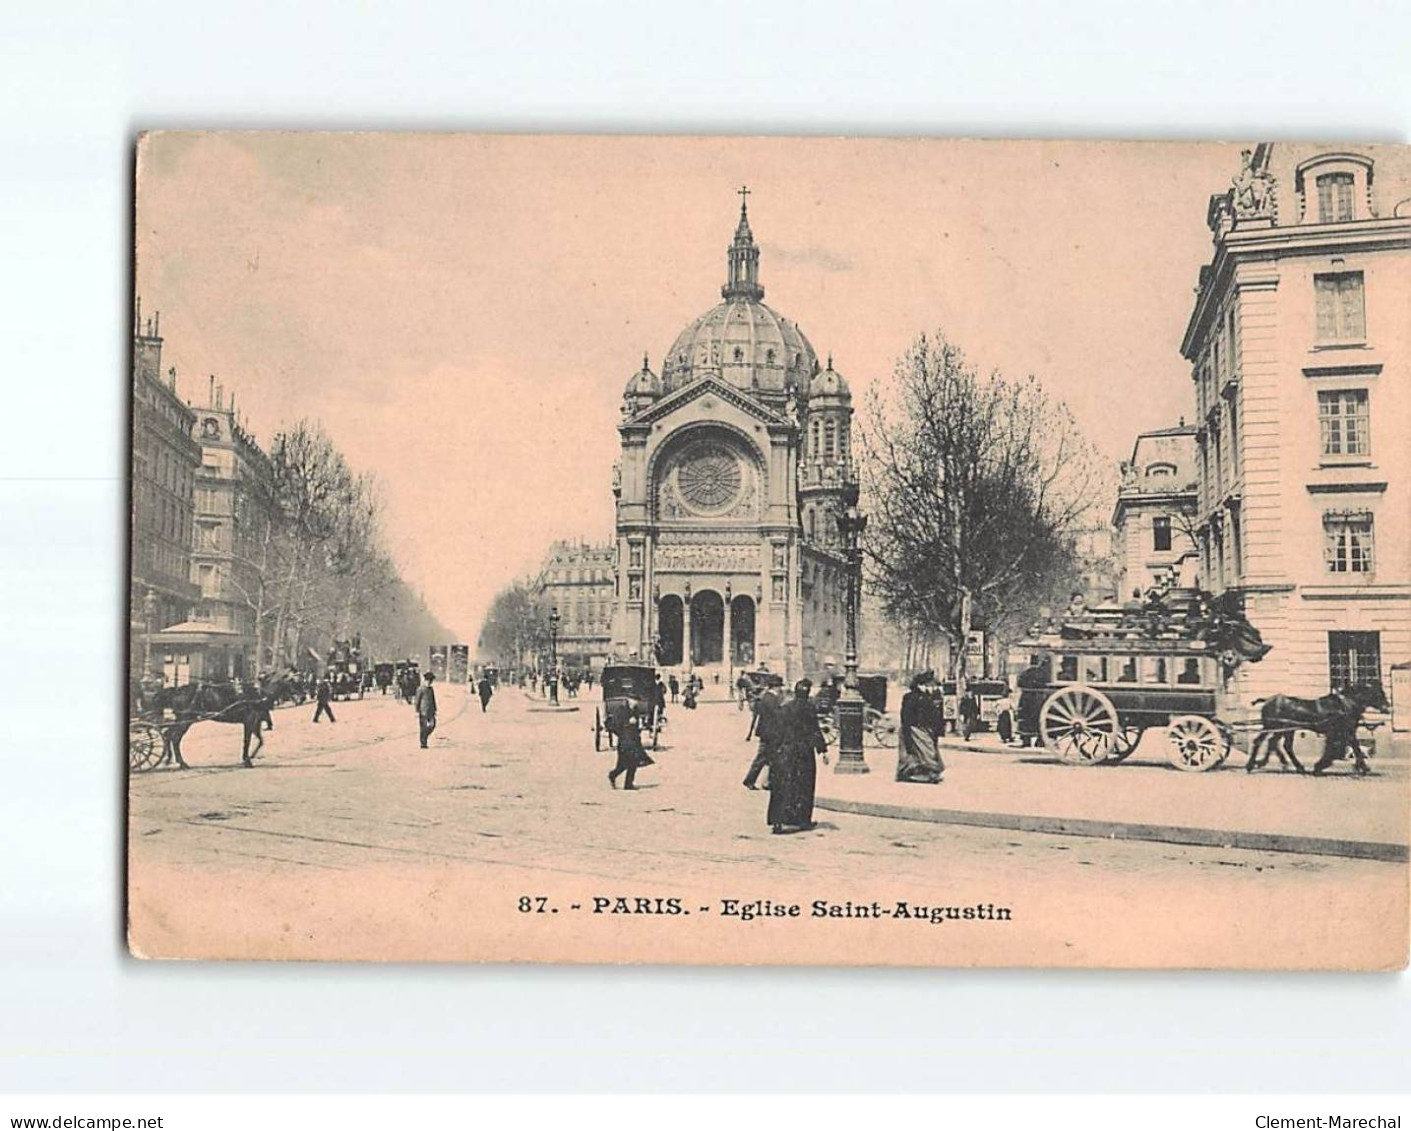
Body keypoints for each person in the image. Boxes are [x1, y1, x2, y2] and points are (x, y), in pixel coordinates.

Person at [767, 680, 829, 833]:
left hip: (786, 752)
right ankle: (803, 820)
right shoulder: (809, 709)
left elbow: (776, 732)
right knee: (804, 787)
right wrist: (823, 750)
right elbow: (815, 731)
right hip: (804, 753)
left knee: (782, 786)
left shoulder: (785, 708)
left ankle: (778, 822)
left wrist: (773, 752)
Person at [896, 671, 943, 783]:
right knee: (923, 752)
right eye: (928, 684)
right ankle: (921, 773)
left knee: (925, 752)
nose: (931, 687)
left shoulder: (928, 697)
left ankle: (924, 773)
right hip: (914, 728)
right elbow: (906, 716)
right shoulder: (911, 697)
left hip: (924, 729)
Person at [743, 675, 783, 789]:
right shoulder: (771, 699)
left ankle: (768, 782)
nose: (780, 689)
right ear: (775, 687)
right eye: (779, 687)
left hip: (767, 732)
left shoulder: (766, 697)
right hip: (770, 734)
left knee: (772, 758)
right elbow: (777, 715)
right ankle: (750, 780)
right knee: (762, 758)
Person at [608, 707, 653, 790]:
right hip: (625, 742)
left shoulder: (635, 711)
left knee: (633, 763)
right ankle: (613, 775)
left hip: (634, 741)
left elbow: (637, 728)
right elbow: (613, 726)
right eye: (633, 700)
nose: (635, 702)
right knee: (623, 765)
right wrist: (623, 732)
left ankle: (628, 784)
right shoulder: (622, 711)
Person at [1015, 657, 1050, 748]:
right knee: (1039, 718)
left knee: (1026, 718)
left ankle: (1026, 740)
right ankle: (1040, 740)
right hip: (1040, 698)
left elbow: (1019, 683)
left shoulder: (1025, 673)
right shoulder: (1043, 673)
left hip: (1027, 698)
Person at [415, 671, 438, 748]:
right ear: (425, 680)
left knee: (432, 725)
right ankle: (423, 743)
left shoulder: (431, 689)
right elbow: (417, 700)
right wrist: (417, 711)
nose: (429, 682)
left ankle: (424, 737)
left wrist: (435, 709)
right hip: (423, 711)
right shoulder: (420, 689)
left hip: (431, 711)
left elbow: (433, 699)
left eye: (431, 681)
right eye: (428, 681)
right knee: (423, 727)